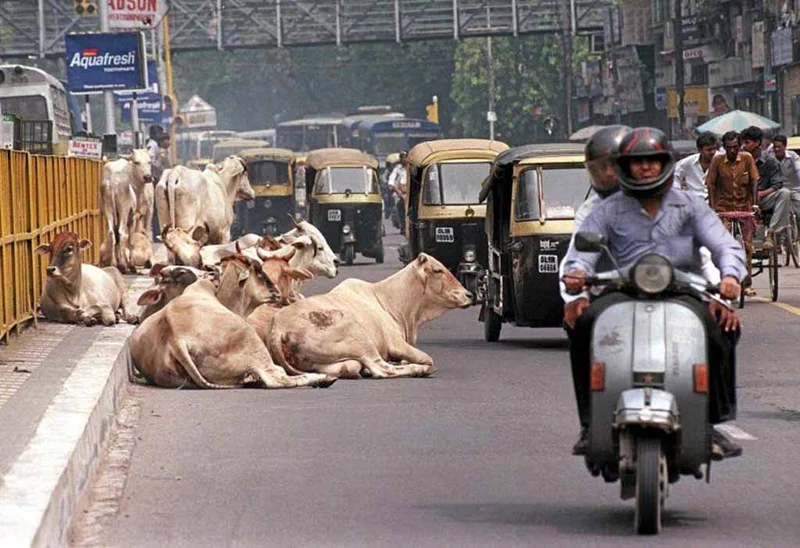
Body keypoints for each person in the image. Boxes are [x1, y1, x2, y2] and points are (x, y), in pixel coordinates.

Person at [563, 127, 746, 460]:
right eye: (638, 162)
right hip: (621, 291)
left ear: (666, 164)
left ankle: (712, 422)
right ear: (626, 167)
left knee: (722, 328)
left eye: (653, 160)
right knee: (583, 325)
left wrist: (730, 278)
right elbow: (582, 252)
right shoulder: (607, 209)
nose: (645, 168)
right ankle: (591, 425)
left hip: (681, 290)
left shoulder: (690, 206)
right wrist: (575, 276)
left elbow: (723, 245)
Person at [706, 131, 760, 294]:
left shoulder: (747, 159)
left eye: (735, 147)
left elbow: (754, 182)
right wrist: (713, 210)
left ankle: (747, 282)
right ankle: (725, 277)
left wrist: (755, 205)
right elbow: (711, 185)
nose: (732, 151)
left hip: (744, 207)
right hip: (724, 208)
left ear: (739, 146)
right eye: (729, 148)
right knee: (723, 244)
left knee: (748, 246)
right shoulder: (717, 161)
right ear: (724, 147)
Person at [673, 132, 722, 283]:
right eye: (708, 150)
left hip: (718, 204)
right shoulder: (686, 164)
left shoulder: (722, 160)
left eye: (714, 149)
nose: (712, 153)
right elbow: (675, 179)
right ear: (700, 150)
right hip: (694, 206)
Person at [741, 126, 791, 253]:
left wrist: (761, 193)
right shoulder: (739, 159)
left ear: (757, 143)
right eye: (743, 142)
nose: (743, 146)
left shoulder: (770, 160)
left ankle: (771, 233)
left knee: (785, 193)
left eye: (747, 142)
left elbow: (777, 184)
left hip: (764, 198)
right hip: (743, 200)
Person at [770, 134, 800, 219]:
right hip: (778, 191)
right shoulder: (770, 158)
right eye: (775, 147)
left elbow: (798, 170)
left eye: (779, 147)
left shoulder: (793, 156)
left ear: (785, 146)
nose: (776, 149)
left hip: (794, 190)